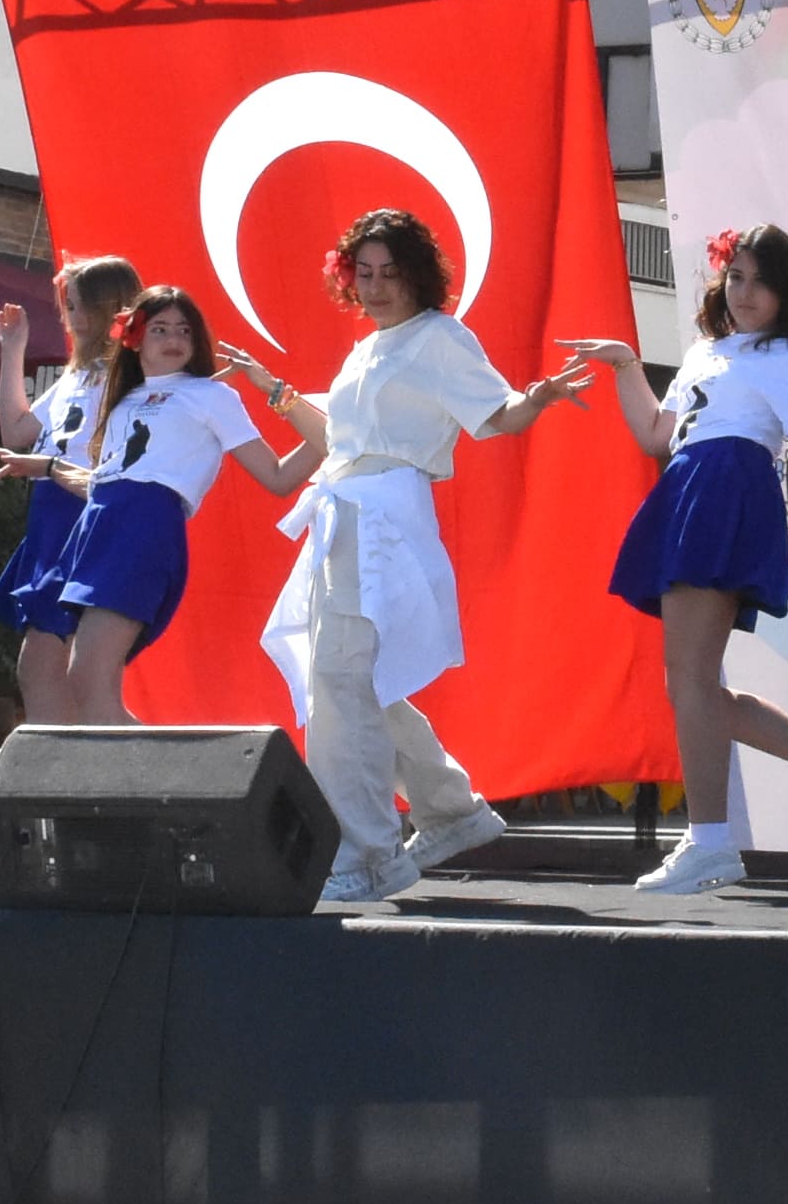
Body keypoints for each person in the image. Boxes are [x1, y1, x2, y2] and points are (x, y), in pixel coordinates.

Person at [243, 207, 597, 906]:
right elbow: (339, 440)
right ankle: (449, 809)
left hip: (383, 518)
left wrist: (539, 399)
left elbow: (497, 415)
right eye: (364, 273)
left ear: (417, 276)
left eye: (390, 274)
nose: (375, 288)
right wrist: (274, 390)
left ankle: (365, 854)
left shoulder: (440, 337)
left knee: (340, 681)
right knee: (349, 679)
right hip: (343, 513)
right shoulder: (366, 349)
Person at [580, 222, 788, 900]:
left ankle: (712, 842)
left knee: (689, 682)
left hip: (728, 486)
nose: (745, 293)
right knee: (694, 686)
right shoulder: (704, 351)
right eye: (737, 278)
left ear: (786, 291)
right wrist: (626, 364)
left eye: (762, 282)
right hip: (688, 484)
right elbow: (655, 434)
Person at [0, 285, 314, 723]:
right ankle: (153, 768)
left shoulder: (212, 395)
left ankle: (167, 769)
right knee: (82, 682)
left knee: (90, 681)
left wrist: (313, 421)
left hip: (145, 527)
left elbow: (278, 477)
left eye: (184, 329)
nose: (174, 338)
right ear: (135, 337)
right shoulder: (121, 398)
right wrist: (49, 467)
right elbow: (105, 482)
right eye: (160, 329)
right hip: (97, 528)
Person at [0, 255, 145, 720]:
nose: (68, 317)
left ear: (107, 307)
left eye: (75, 306)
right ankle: (70, 763)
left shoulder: (133, 375)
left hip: (86, 516)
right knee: (55, 673)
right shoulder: (77, 373)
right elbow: (15, 431)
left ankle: (78, 763)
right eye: (66, 306)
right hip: (50, 520)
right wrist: (12, 349)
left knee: (55, 670)